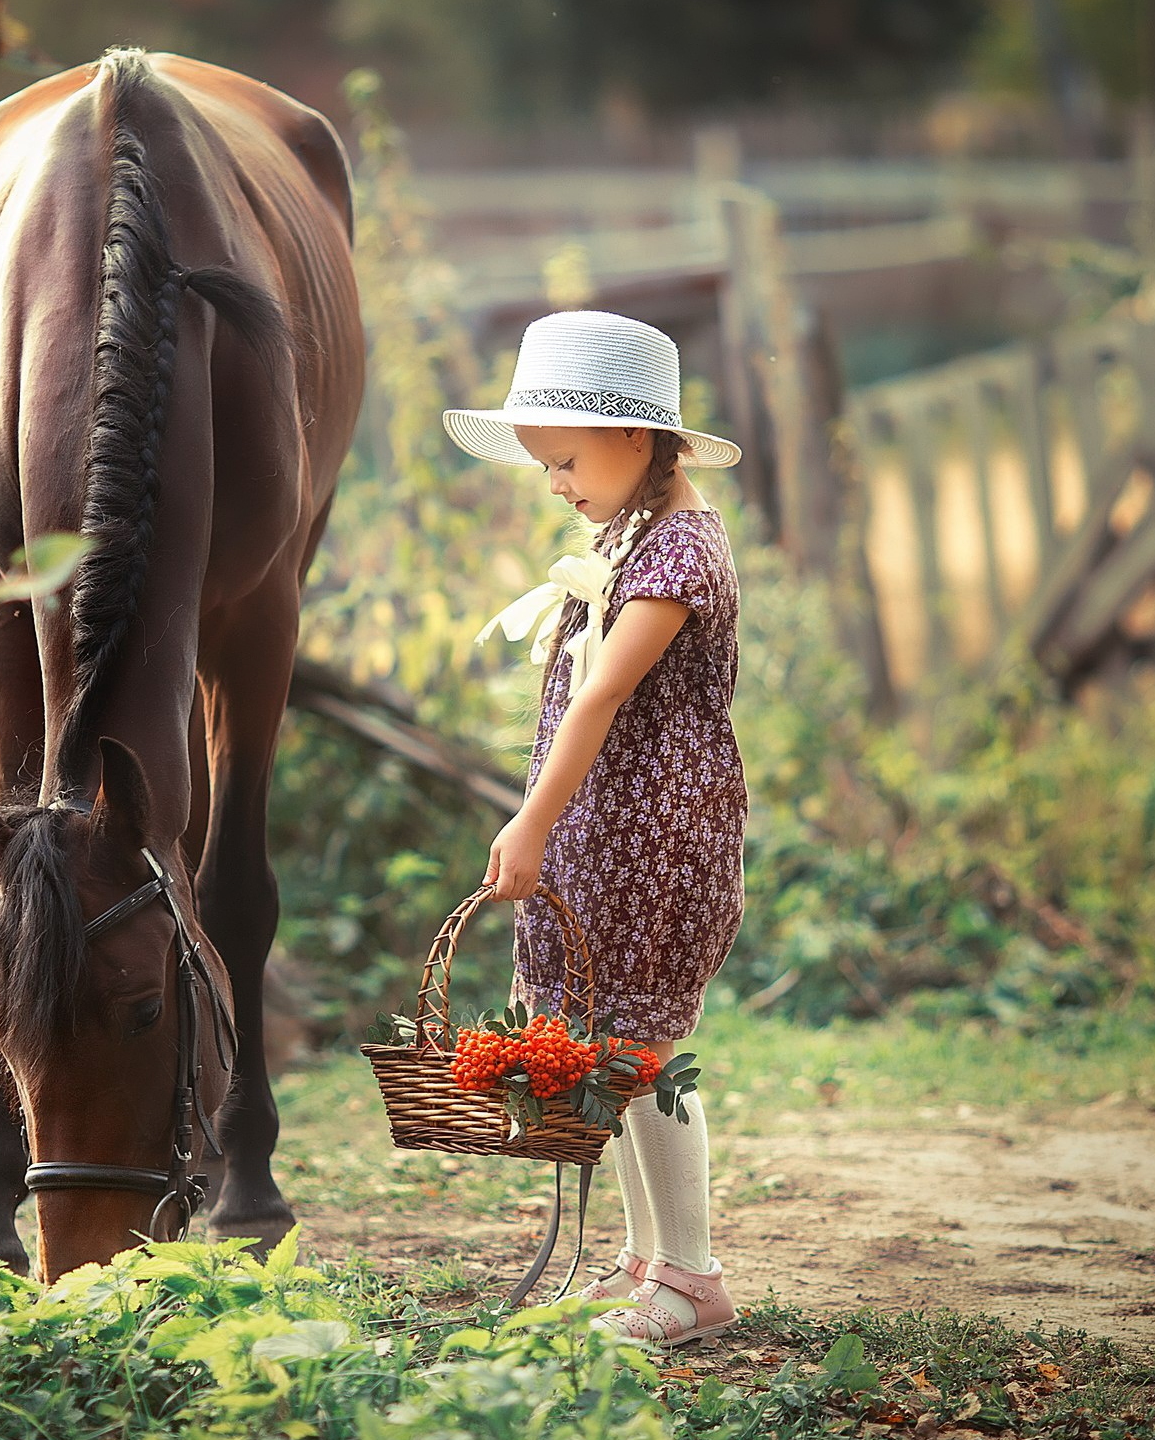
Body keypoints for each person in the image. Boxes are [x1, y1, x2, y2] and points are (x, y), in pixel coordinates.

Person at [442, 309, 750, 1347]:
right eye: (544, 467)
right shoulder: (631, 534)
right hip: (608, 832)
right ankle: (646, 1261)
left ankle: (693, 1278)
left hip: (655, 840)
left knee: (639, 1052)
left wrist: (530, 822)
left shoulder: (679, 554)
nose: (557, 484)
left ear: (634, 440)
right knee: (605, 1049)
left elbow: (603, 697)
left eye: (565, 460)